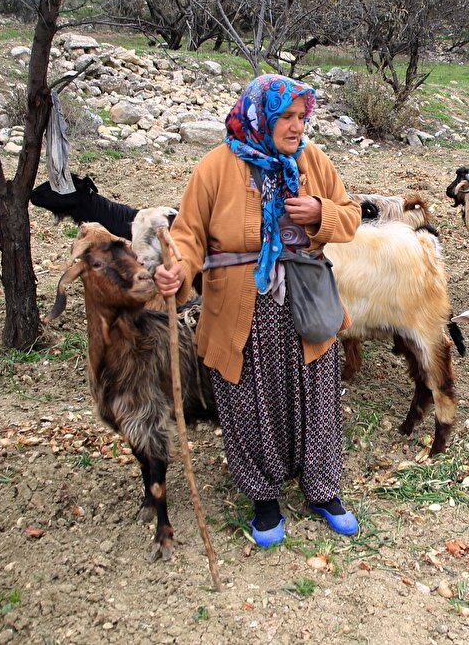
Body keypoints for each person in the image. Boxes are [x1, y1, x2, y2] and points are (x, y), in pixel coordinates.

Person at [154, 74, 362, 547]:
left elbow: (350, 215)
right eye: (285, 118)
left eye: (301, 117)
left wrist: (319, 213)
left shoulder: (311, 160)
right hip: (239, 309)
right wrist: (176, 273)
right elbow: (187, 237)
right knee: (248, 401)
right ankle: (264, 496)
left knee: (317, 396)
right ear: (260, 117)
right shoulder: (215, 167)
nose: (295, 127)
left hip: (303, 302)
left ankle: (322, 488)